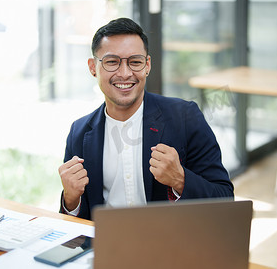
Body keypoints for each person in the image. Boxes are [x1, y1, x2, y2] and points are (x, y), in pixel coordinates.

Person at [58, 18, 233, 219]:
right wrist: (70, 200)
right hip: (108, 246)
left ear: (147, 65)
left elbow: (225, 200)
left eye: (135, 62)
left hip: (171, 245)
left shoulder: (185, 117)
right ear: (92, 67)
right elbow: (75, 225)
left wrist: (180, 180)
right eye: (112, 62)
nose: (124, 73)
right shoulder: (79, 133)